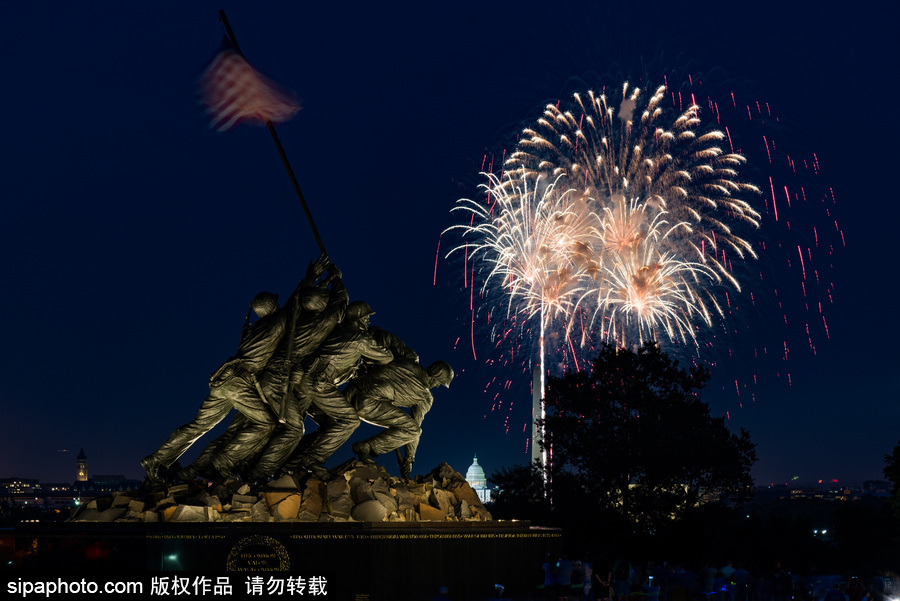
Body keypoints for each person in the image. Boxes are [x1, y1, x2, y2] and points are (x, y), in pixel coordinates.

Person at [283, 300, 393, 476]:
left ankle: (291, 461)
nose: (368, 321)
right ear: (357, 319)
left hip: (305, 380)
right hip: (318, 383)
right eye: (366, 318)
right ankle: (312, 459)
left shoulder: (339, 332)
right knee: (350, 420)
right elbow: (387, 357)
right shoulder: (361, 339)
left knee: (331, 424)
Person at [347, 359, 453, 477]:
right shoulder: (425, 396)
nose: (437, 386)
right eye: (439, 382)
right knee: (413, 431)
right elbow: (416, 424)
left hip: (352, 390)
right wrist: (409, 458)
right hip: (367, 403)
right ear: (435, 377)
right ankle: (366, 447)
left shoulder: (409, 363)